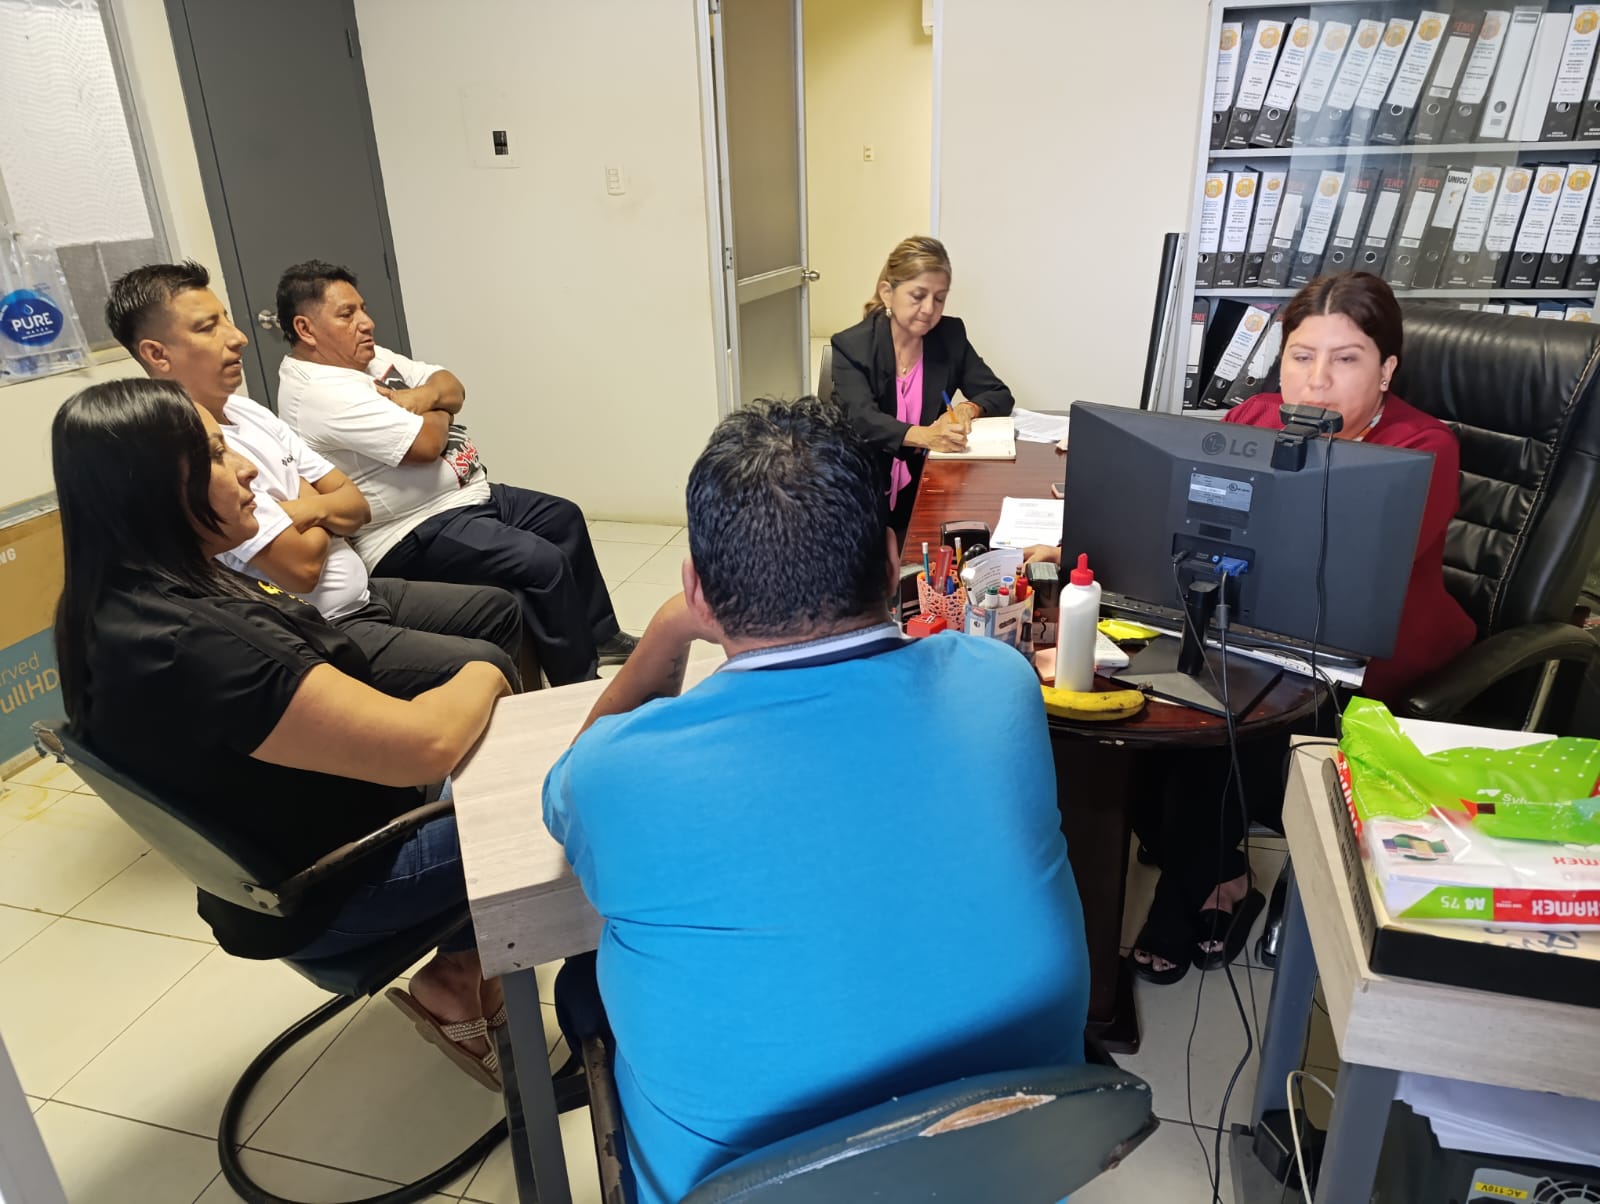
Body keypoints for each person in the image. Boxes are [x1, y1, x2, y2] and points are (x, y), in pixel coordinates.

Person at [542, 398, 1089, 1204]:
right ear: (894, 562)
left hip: (745, 1190)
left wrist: (665, 634)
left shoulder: (616, 772)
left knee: (576, 988)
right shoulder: (999, 684)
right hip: (1008, 1171)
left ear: (698, 592)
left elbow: (566, 789)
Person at [52, 378, 514, 1088]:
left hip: (275, 876)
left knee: (501, 740)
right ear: (151, 487)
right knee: (569, 786)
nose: (245, 468)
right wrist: (485, 672)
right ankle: (505, 979)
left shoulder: (111, 603)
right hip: (339, 887)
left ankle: (461, 968)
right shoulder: (201, 645)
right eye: (215, 454)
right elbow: (427, 747)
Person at [1029, 271, 1477, 982]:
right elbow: (1187, 516)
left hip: (1361, 666)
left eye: (1346, 358)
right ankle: (1222, 878)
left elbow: (1355, 577)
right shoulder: (1253, 418)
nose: (1317, 380)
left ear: (1386, 369)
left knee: (1208, 745)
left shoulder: (1423, 449)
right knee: (1128, 722)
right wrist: (1092, 542)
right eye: (1301, 356)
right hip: (1244, 636)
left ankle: (1189, 895)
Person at [104, 261, 523, 700]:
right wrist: (325, 505)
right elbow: (301, 568)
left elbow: (356, 506)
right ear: (157, 354)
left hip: (362, 593)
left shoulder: (249, 411)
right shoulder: (184, 448)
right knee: (485, 662)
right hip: (313, 626)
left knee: (499, 608)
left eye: (226, 318)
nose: (238, 336)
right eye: (209, 327)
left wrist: (306, 508)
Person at [272, 260, 635, 686]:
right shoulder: (320, 392)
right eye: (347, 314)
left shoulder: (365, 358)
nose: (366, 323)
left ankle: (600, 636)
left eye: (363, 308)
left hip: (464, 496)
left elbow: (452, 386)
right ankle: (577, 685)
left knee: (563, 517)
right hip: (411, 529)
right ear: (306, 328)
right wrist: (436, 406)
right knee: (543, 562)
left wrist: (423, 398)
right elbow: (427, 445)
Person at [828, 236, 1015, 539]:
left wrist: (968, 408)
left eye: (939, 298)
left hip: (923, 490)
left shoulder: (949, 336)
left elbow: (999, 393)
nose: (929, 309)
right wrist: (926, 436)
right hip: (861, 490)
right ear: (887, 293)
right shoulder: (853, 346)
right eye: (918, 296)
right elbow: (860, 419)